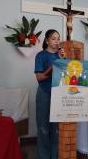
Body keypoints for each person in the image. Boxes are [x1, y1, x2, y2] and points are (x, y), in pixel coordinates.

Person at [34, 29, 65, 159]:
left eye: (58, 38)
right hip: (45, 93)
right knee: (43, 128)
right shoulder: (41, 55)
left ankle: (55, 156)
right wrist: (54, 66)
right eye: (53, 38)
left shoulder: (62, 56)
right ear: (47, 40)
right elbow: (39, 78)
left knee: (56, 129)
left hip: (59, 95)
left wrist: (64, 60)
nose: (57, 41)